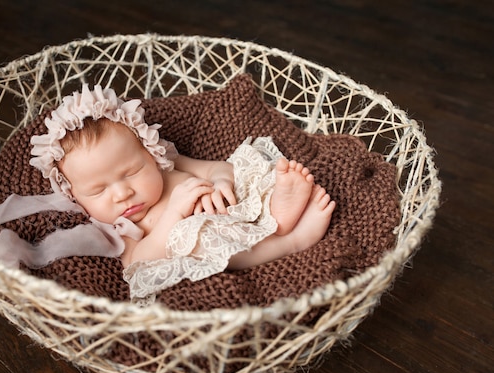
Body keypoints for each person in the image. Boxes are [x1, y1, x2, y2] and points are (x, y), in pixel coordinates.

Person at [28, 84, 335, 304]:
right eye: (97, 190)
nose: (122, 193)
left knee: (247, 171)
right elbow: (136, 262)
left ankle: (273, 210)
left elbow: (217, 168)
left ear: (150, 153)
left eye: (131, 172)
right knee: (202, 238)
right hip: (207, 238)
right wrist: (174, 214)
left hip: (232, 209)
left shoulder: (167, 165)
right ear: (75, 197)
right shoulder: (120, 226)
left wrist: (221, 185)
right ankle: (290, 240)